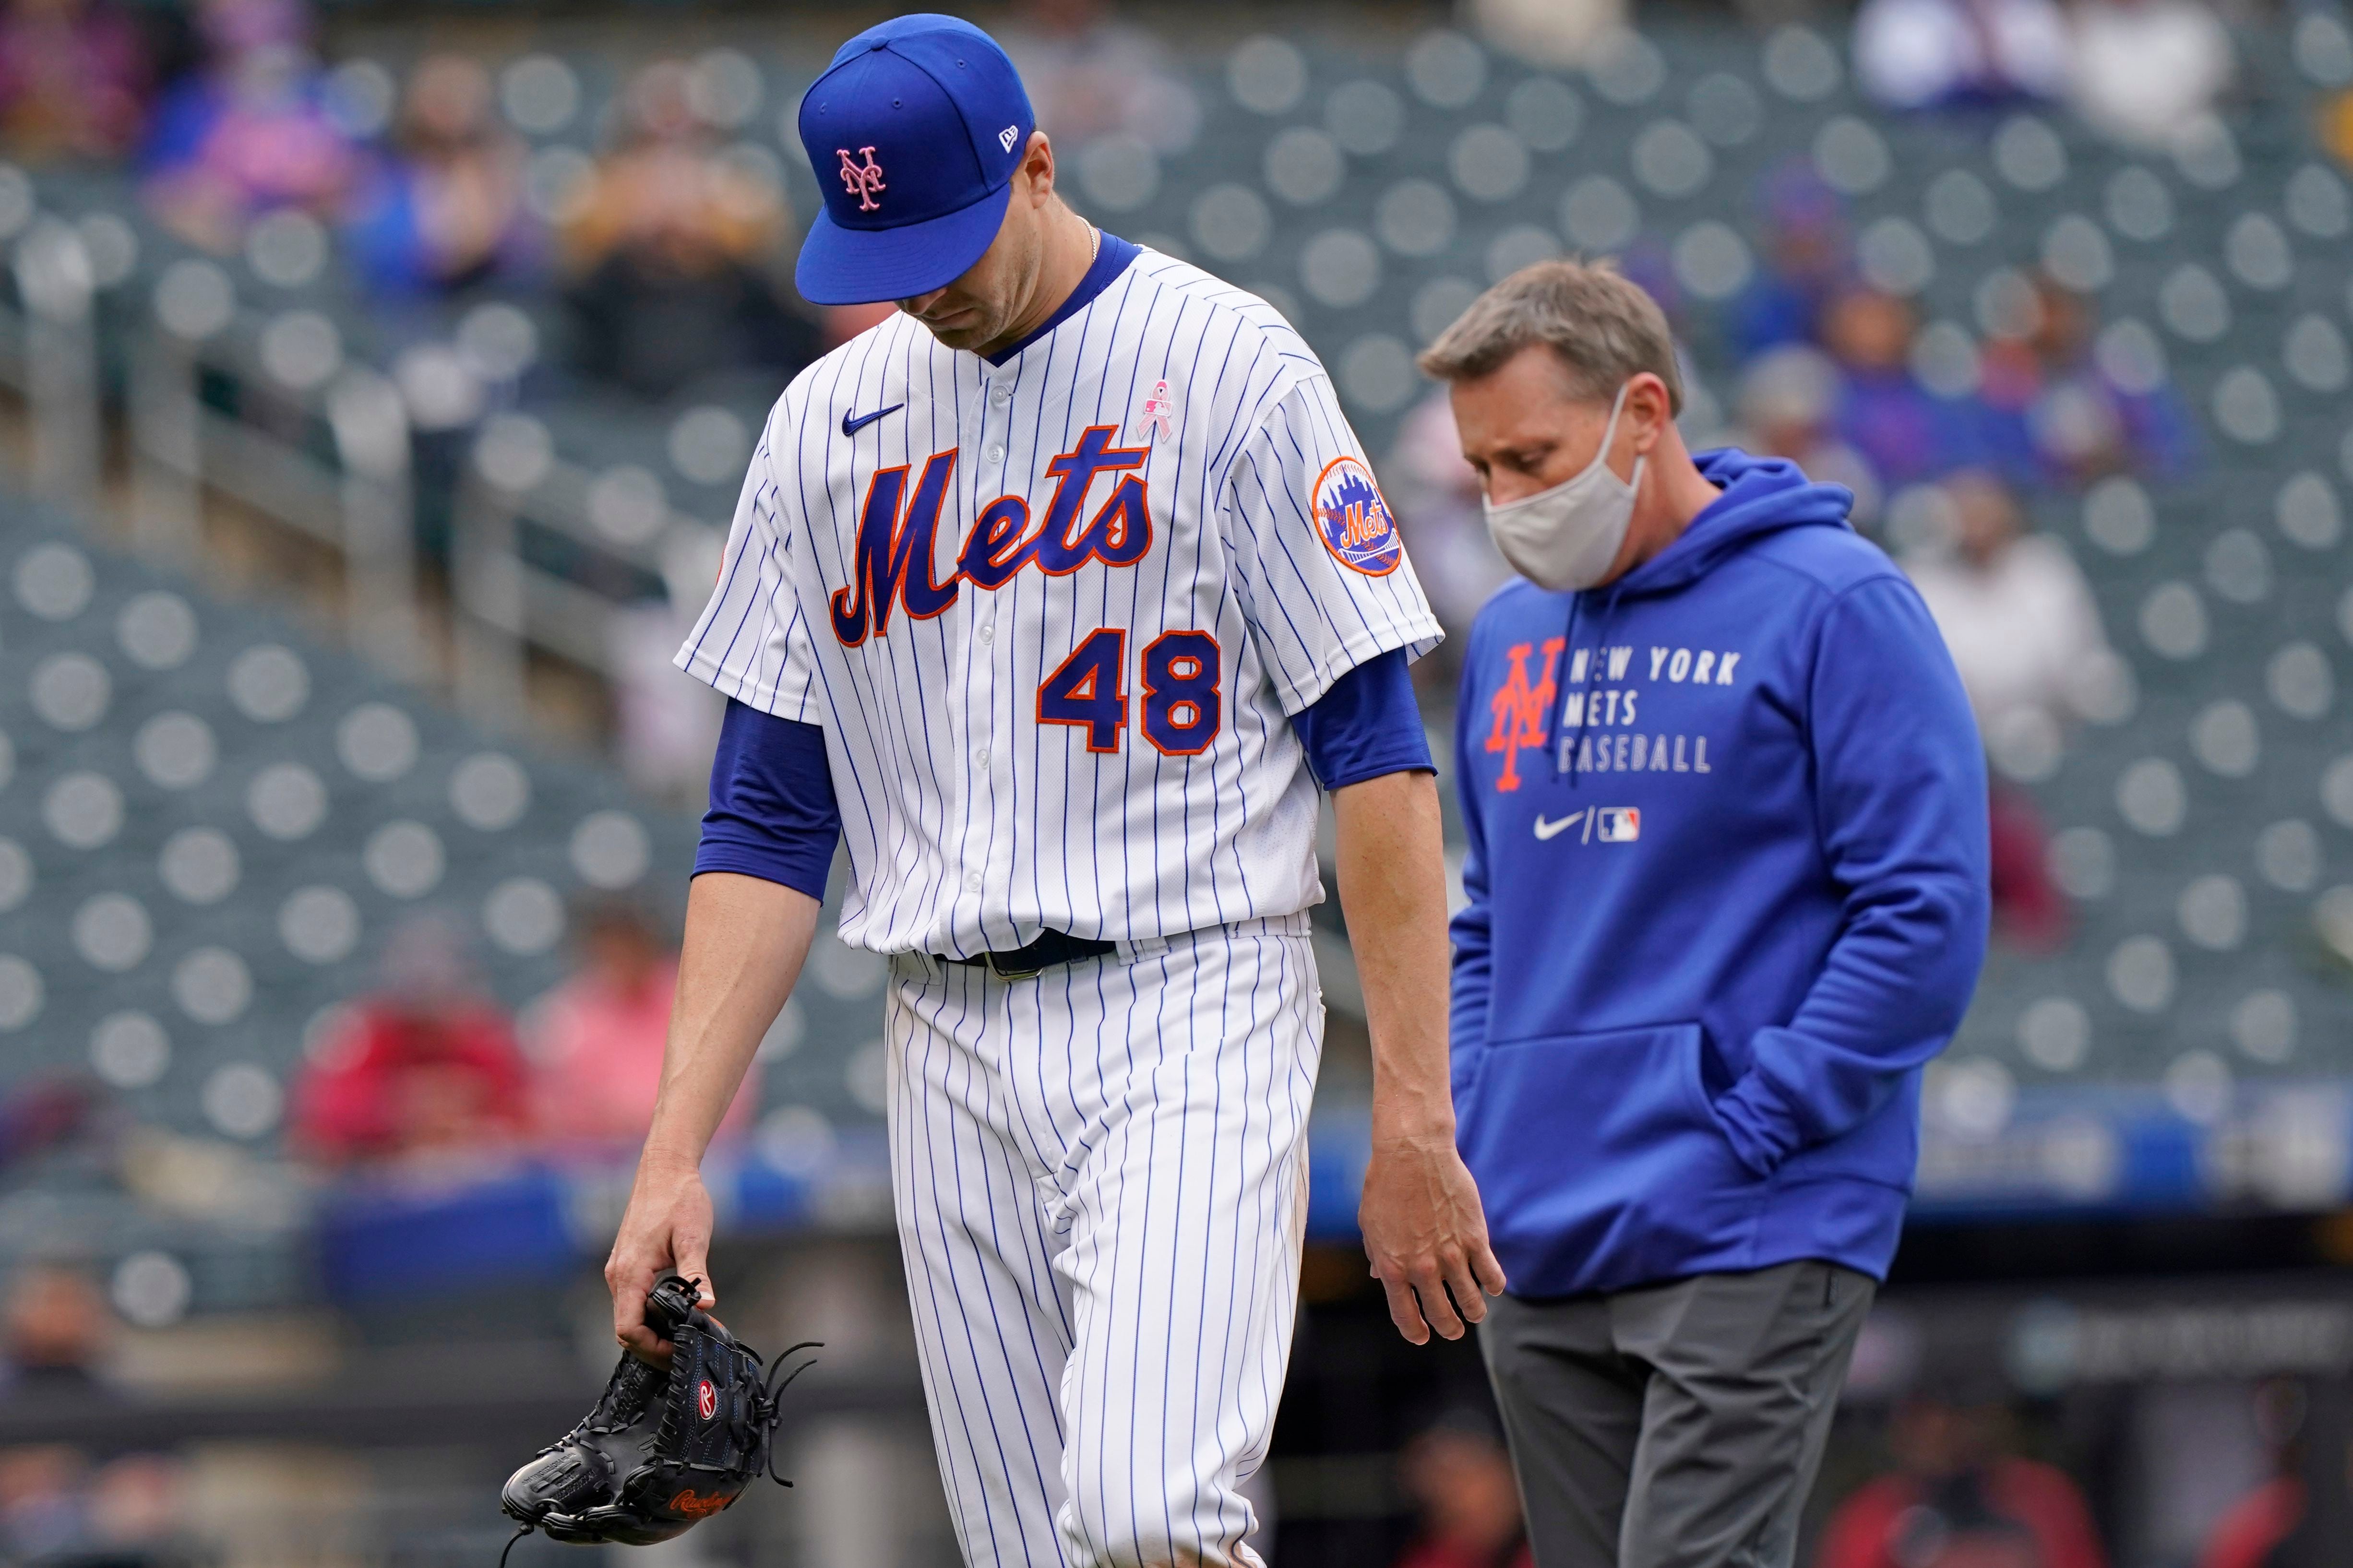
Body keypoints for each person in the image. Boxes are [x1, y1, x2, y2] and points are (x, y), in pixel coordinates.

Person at [602, 16, 1499, 1567]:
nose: (923, 282)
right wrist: (671, 1149)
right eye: (885, 247)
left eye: (948, 235)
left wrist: (1414, 1103)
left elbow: (1376, 749)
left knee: (1153, 1510)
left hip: (1192, 987)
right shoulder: (823, 425)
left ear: (1037, 162)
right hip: (941, 1027)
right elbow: (763, 815)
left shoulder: (1228, 364)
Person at [1421, 260, 1990, 1568]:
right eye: (1482, 471)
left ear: (1639, 411)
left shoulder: (1835, 602)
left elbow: (1921, 908)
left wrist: (1759, 1113)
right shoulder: (1508, 634)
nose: (1508, 498)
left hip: (1751, 1211)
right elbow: (1491, 916)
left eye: (1529, 456)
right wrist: (1479, 1112)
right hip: (1538, 1218)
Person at [560, 59, 816, 402]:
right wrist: (631, 243)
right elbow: (569, 304)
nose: (671, 170)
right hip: (614, 388)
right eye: (651, 148)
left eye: (693, 147)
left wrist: (717, 245)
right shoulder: (597, 205)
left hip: (732, 386)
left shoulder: (746, 205)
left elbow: (789, 310)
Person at [289, 918, 532, 1167]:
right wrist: (398, 1107)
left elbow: (525, 1115)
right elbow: (321, 1116)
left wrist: (474, 1122)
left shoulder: (484, 1037)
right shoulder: (364, 1037)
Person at [527, 900, 757, 1152]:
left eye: (627, 946)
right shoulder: (567, 1016)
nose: (619, 958)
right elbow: (552, 1109)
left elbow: (729, 1094)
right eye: (607, 950)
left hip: (696, 1156)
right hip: (594, 1164)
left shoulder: (696, 1000)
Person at [1816, 1388, 2106, 1568]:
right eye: (1921, 1426)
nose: (1936, 1440)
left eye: (1952, 1425)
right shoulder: (1869, 1514)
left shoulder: (2042, 1495)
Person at [343, 52, 536, 296]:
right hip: (407, 308)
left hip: (485, 303)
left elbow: (518, 258)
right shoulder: (384, 171)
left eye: (462, 95)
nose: (453, 108)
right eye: (444, 96)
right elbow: (431, 254)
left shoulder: (499, 166)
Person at [1393, 1409, 1534, 1568]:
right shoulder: (1428, 1562)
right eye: (1447, 1474)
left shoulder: (1549, 1549)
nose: (1460, 1492)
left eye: (1475, 1468)